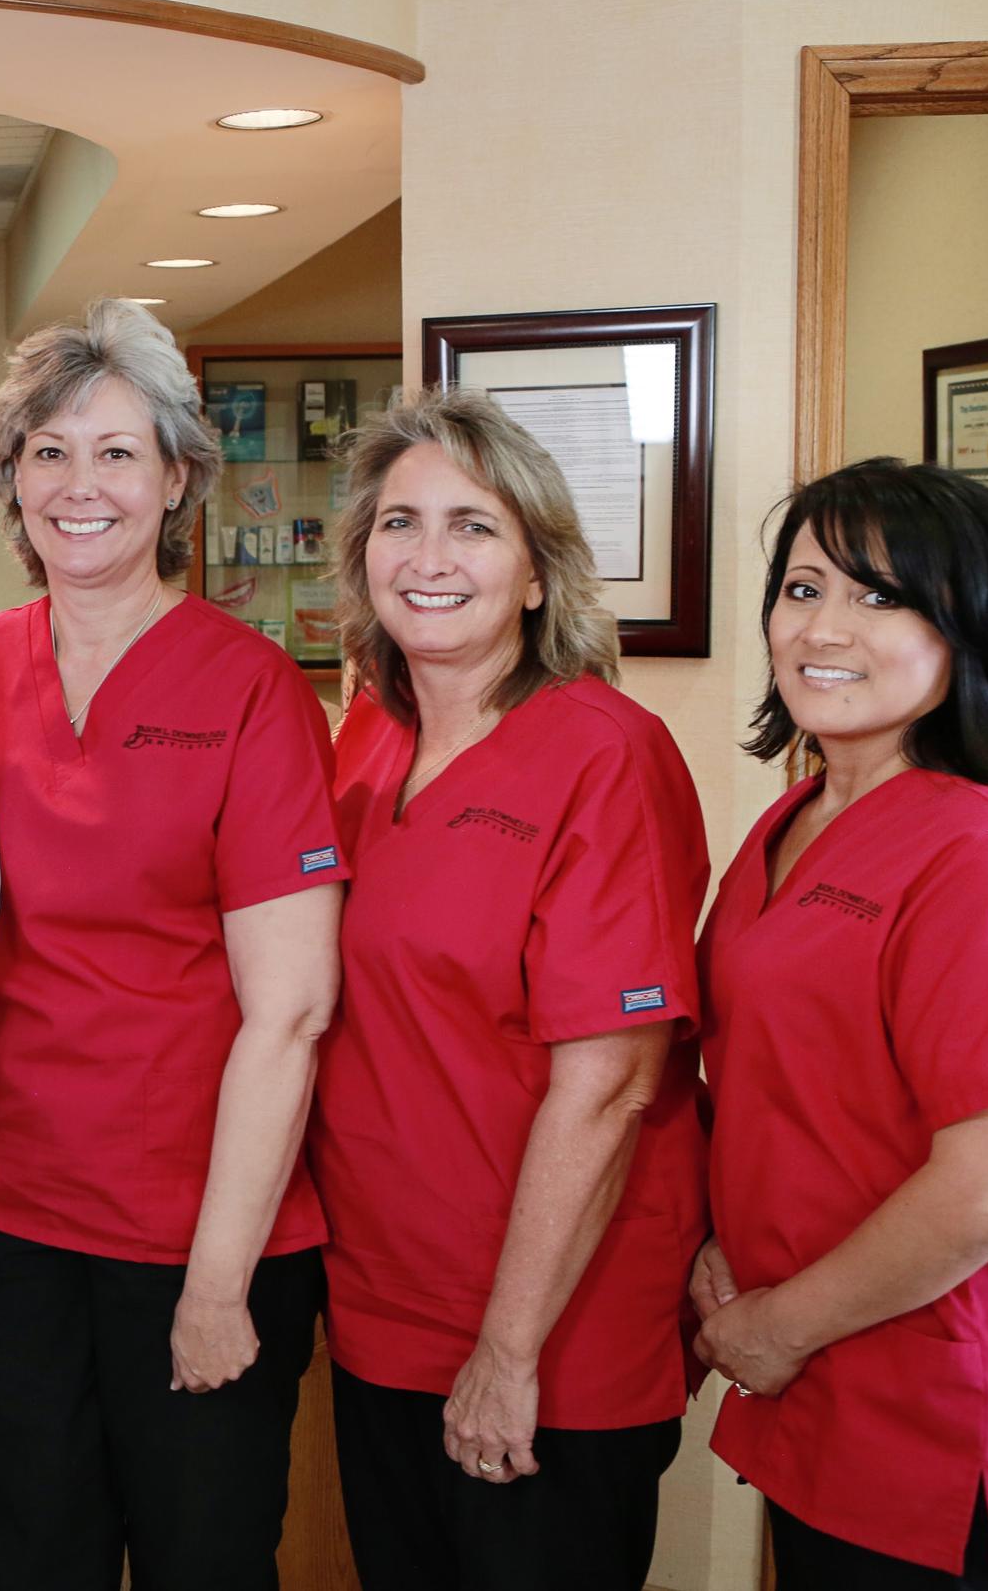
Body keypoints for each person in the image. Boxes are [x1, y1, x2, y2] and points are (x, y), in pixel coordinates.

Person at [0, 299, 343, 1590]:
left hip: (197, 1230)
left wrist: (216, 1284)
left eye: (118, 452)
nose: (81, 484)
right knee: (22, 1561)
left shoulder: (251, 689)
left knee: (201, 1560)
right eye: (49, 451)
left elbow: (290, 1010)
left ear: (175, 477)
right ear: (11, 478)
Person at [309, 389, 709, 1591]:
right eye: (399, 522)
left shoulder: (605, 753)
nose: (428, 557)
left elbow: (611, 1086)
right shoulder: (367, 739)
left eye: (473, 526)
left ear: (537, 572)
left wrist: (508, 1347)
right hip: (382, 1308)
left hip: (546, 1331)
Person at [691, 458, 988, 1589]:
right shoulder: (793, 821)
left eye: (880, 596)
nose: (823, 628)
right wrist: (730, 1238)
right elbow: (785, 1084)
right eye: (803, 587)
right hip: (825, 1385)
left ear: (978, 628)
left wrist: (776, 1325)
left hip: (949, 1410)